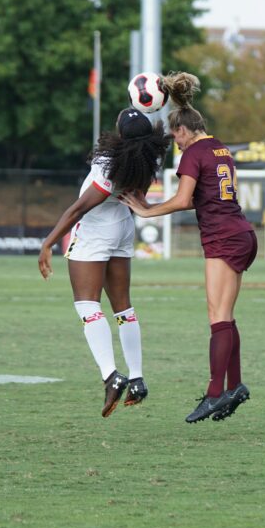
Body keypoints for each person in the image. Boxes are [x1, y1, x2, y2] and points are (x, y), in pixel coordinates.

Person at [121, 72, 256, 424]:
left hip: (223, 236)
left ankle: (214, 394)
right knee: (226, 316)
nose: (175, 144)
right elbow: (216, 193)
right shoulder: (220, 146)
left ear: (183, 130)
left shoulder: (193, 152)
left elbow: (183, 199)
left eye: (175, 137)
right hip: (240, 231)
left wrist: (146, 210)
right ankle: (235, 386)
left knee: (217, 317)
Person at [38, 109, 170, 418]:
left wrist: (48, 242)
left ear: (121, 134)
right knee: (123, 308)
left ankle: (111, 375)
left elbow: (78, 209)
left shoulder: (110, 165)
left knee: (87, 305)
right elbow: (138, 196)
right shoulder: (148, 157)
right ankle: (136, 378)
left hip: (98, 229)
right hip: (123, 225)